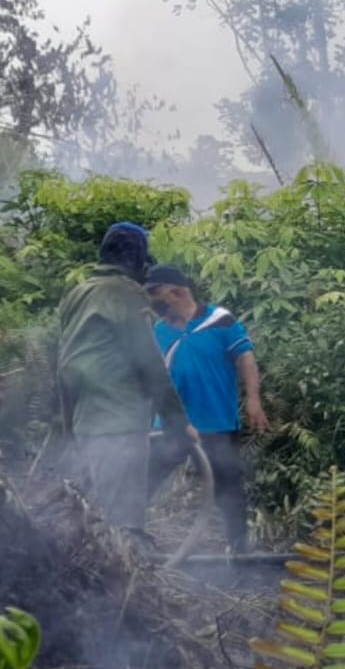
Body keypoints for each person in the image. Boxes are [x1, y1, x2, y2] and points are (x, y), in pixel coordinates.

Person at [56, 224, 196, 540]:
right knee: (125, 527)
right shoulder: (126, 294)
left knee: (97, 514)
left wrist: (67, 427)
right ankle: (129, 575)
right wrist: (177, 420)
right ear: (137, 260)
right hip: (120, 420)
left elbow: (63, 362)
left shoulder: (76, 294)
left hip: (86, 420)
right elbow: (149, 365)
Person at [145, 265, 267, 556]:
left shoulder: (220, 320)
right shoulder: (158, 331)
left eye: (155, 292)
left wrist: (253, 399)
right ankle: (125, 539)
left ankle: (238, 550)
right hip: (172, 423)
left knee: (229, 487)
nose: (151, 300)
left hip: (216, 421)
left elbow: (245, 358)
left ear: (176, 291)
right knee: (145, 480)